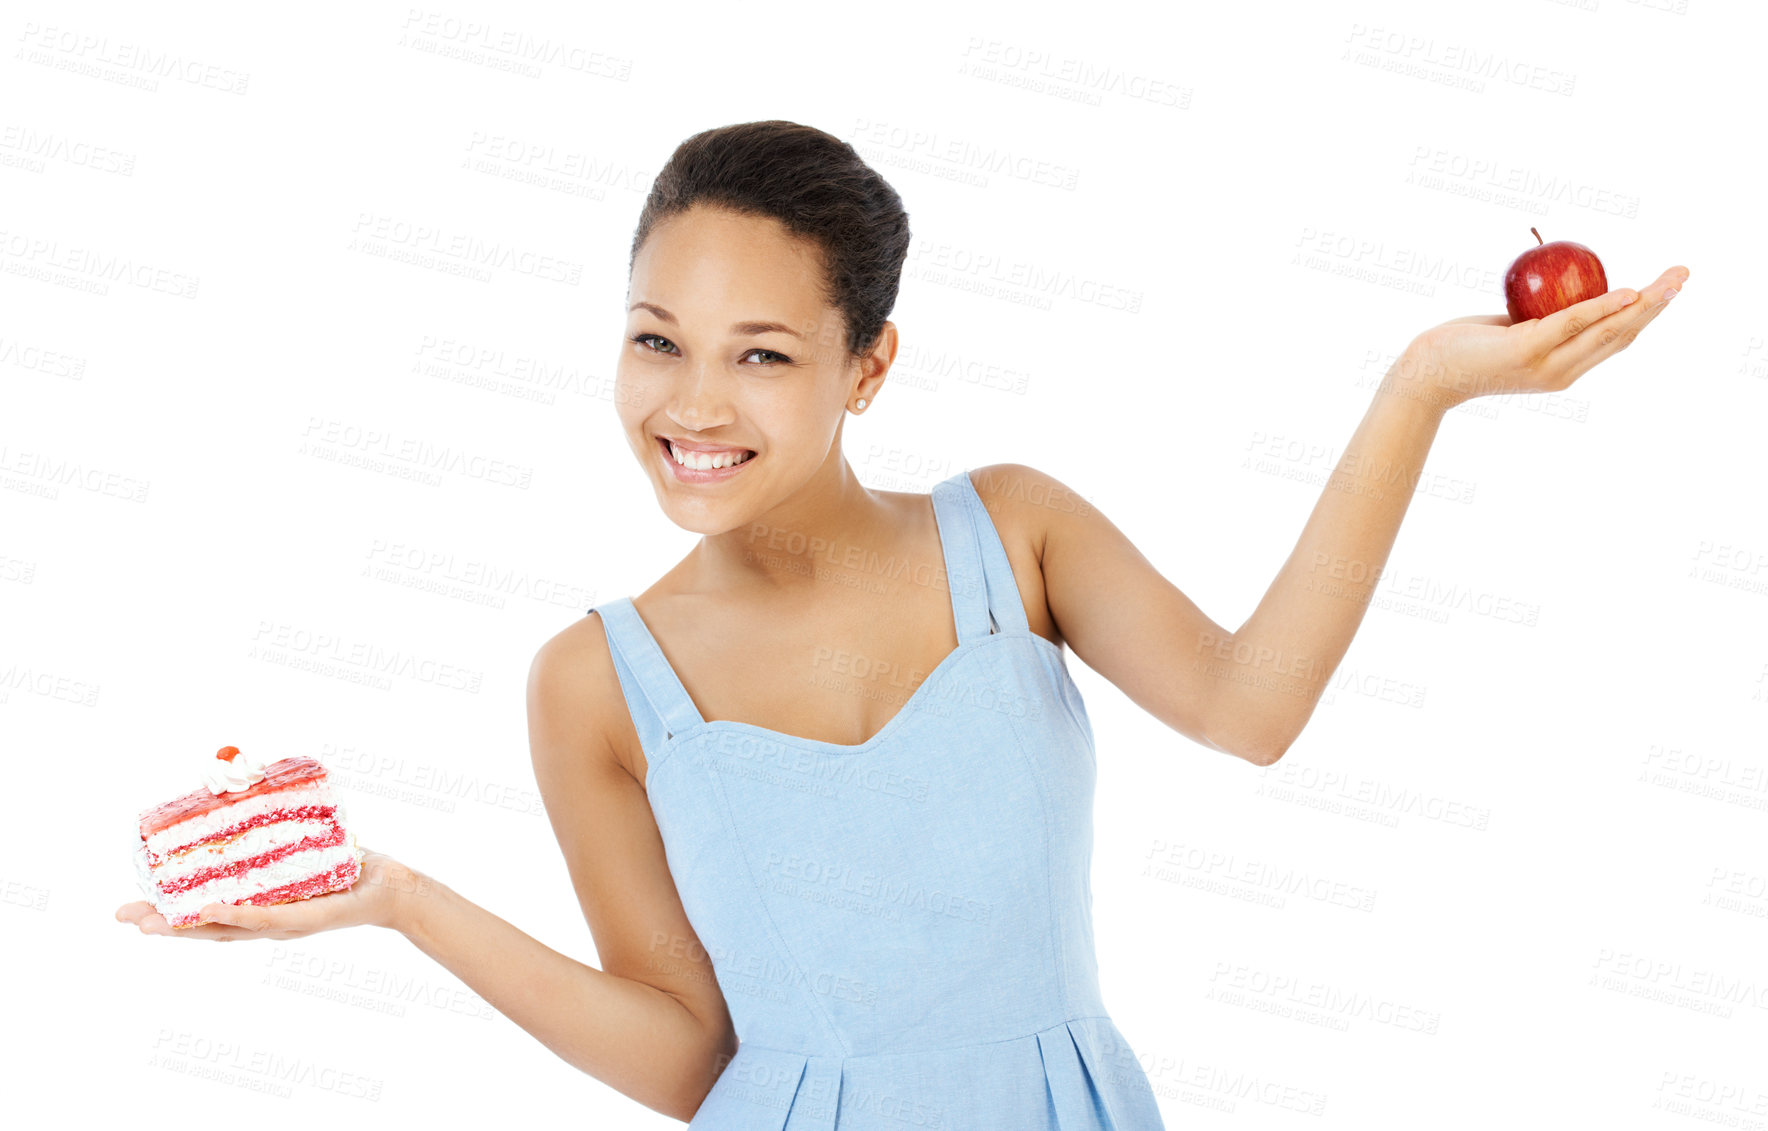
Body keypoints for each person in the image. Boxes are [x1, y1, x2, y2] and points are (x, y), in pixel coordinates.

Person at [116, 119, 1688, 1128]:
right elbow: (694, 1063)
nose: (692, 405)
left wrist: (1419, 391)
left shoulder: (1015, 534)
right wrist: (399, 900)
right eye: (656, 341)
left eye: (763, 357)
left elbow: (1252, 709)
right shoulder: (595, 681)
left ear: (868, 367)